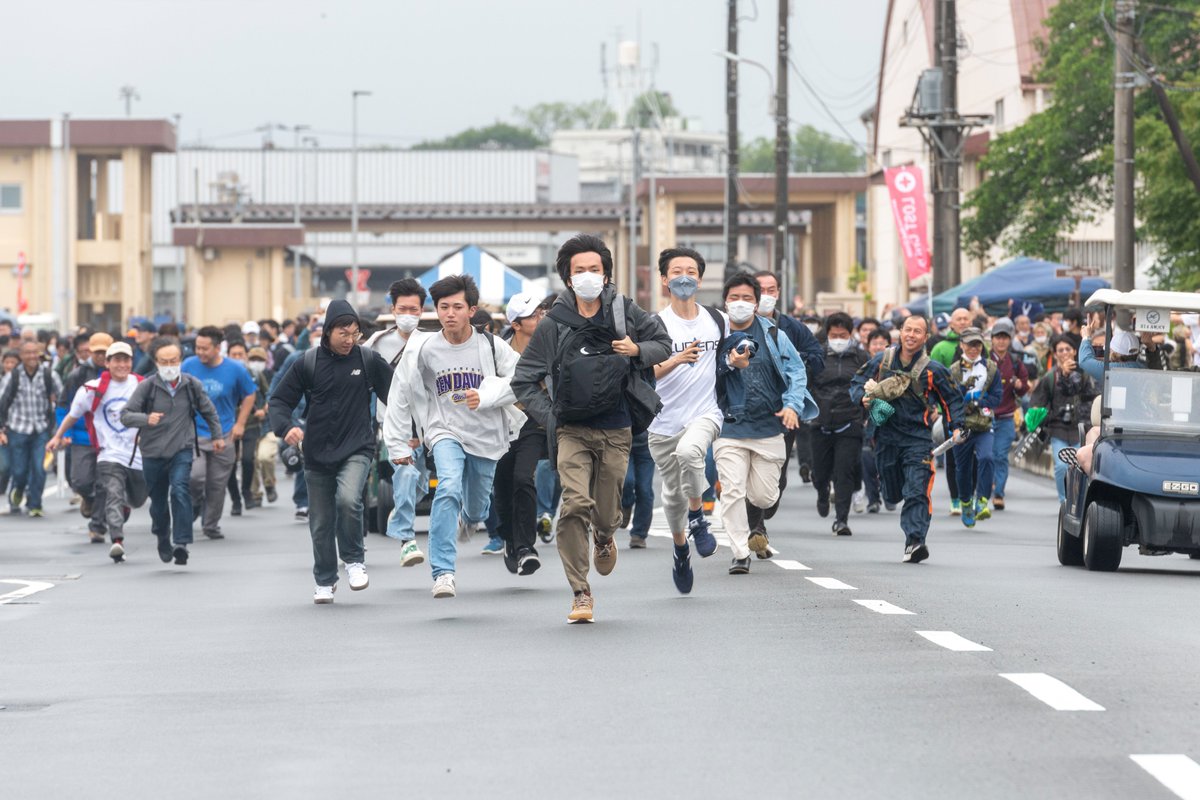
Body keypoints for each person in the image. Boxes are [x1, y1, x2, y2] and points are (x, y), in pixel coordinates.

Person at [512, 234, 671, 622]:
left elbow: (664, 343)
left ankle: (604, 537)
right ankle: (581, 592)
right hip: (571, 431)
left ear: (606, 274)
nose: (587, 276)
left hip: (617, 428)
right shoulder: (553, 324)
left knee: (605, 513)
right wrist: (550, 416)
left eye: (594, 269)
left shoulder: (625, 311)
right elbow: (523, 380)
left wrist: (638, 351)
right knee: (574, 505)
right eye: (579, 270)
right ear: (568, 278)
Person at [383, 275, 523, 600]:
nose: (449, 313)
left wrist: (487, 396)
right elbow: (401, 393)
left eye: (457, 307)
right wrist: (398, 442)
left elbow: (522, 378)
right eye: (443, 307)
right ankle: (443, 572)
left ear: (471, 310)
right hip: (444, 430)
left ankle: (470, 519)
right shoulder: (424, 349)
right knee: (447, 486)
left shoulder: (490, 345)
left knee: (476, 508)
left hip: (487, 435)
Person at [271, 300, 394, 604]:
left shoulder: (367, 360)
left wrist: (411, 433)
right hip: (317, 451)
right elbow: (279, 401)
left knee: (349, 498)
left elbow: (397, 397)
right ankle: (325, 580)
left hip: (358, 446)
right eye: (343, 333)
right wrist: (286, 427)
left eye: (354, 333)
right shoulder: (307, 362)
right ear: (328, 332)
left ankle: (354, 560)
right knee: (321, 521)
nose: (349, 339)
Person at [713, 274, 819, 574]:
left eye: (747, 298)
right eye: (734, 297)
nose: (740, 303)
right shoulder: (717, 334)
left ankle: (755, 504)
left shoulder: (774, 334)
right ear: (725, 301)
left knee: (763, 496)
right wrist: (728, 363)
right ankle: (739, 551)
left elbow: (797, 372)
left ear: (757, 303)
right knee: (732, 490)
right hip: (729, 426)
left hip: (769, 427)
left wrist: (791, 406)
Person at [850, 314, 964, 563]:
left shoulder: (933, 370)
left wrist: (957, 427)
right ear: (900, 332)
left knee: (917, 490)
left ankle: (915, 541)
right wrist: (862, 397)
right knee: (891, 493)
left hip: (918, 440)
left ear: (926, 337)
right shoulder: (882, 361)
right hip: (885, 437)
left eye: (917, 331)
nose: (911, 335)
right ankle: (890, 494)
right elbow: (857, 382)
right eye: (907, 330)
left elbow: (953, 400)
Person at [646, 247, 723, 591]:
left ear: (700, 278)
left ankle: (699, 517)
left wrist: (738, 358)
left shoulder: (716, 320)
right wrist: (676, 359)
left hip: (706, 412)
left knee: (692, 453)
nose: (684, 277)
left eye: (691, 271)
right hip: (663, 422)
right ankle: (680, 549)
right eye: (676, 271)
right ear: (664, 280)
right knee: (672, 497)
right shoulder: (655, 325)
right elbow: (645, 374)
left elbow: (734, 351)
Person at [121, 338, 222, 565]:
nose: (169, 365)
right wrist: (147, 419)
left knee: (180, 490)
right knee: (158, 502)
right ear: (156, 363)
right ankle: (162, 536)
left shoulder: (191, 384)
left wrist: (217, 436)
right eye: (164, 361)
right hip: (152, 453)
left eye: (173, 360)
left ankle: (181, 543)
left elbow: (209, 411)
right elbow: (125, 415)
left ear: (180, 360)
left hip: (181, 449)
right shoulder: (147, 386)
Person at [48, 342, 148, 563]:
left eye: (126, 360)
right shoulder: (92, 389)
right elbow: (72, 415)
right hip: (109, 454)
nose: (122, 365)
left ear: (131, 362)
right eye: (117, 360)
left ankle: (124, 508)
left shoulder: (143, 386)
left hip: (138, 455)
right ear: (108, 363)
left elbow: (156, 415)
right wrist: (57, 436)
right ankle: (117, 540)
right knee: (112, 492)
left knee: (139, 499)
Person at [750, 271, 825, 534]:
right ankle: (756, 528)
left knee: (776, 469)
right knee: (750, 469)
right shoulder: (737, 325)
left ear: (778, 293)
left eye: (772, 290)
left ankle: (769, 502)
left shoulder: (792, 328)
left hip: (785, 410)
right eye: (761, 290)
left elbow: (818, 357)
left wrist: (793, 361)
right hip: (748, 410)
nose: (766, 295)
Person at [364, 278, 429, 568]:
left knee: (421, 485)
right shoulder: (375, 344)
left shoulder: (431, 342)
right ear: (392, 309)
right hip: (390, 427)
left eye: (413, 309)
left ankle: (400, 513)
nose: (408, 314)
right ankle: (406, 539)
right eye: (402, 308)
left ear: (422, 310)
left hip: (426, 429)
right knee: (405, 473)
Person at [491, 291, 550, 575]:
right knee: (502, 486)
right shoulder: (496, 351)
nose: (540, 317)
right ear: (516, 324)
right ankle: (508, 537)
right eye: (533, 315)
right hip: (501, 424)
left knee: (522, 477)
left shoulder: (550, 346)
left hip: (533, 423)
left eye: (541, 312)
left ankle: (527, 547)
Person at [183, 326, 257, 540]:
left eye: (205, 349)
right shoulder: (188, 365)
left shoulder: (235, 369)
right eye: (197, 347)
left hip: (224, 434)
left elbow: (250, 394)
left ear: (217, 348)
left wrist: (240, 423)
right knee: (195, 477)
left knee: (217, 484)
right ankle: (196, 503)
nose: (200, 352)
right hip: (195, 433)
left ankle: (210, 525)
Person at [809, 312, 870, 536]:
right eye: (834, 334)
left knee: (844, 471)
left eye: (842, 334)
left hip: (850, 421)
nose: (838, 338)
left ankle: (841, 519)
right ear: (827, 334)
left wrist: (864, 412)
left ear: (850, 334)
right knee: (820, 472)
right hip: (820, 421)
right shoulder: (817, 356)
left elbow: (870, 385)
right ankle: (822, 492)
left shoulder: (861, 358)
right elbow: (807, 384)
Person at [1030, 336, 1099, 503]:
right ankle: (1064, 501)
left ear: (1075, 351)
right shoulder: (1049, 377)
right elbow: (1038, 403)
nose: (1065, 353)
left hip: (1081, 428)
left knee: (1081, 466)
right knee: (1061, 466)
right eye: (1060, 350)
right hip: (1058, 429)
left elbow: (1094, 396)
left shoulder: (1087, 373)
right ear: (1055, 354)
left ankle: (1079, 501)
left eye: (1068, 349)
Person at [57, 332, 113, 538]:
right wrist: (65, 432)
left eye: (104, 352)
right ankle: (88, 499)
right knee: (80, 481)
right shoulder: (78, 375)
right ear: (90, 351)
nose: (100, 356)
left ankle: (97, 526)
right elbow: (64, 405)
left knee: (103, 483)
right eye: (97, 352)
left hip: (108, 438)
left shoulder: (118, 373)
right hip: (82, 437)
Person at [0, 341, 63, 516]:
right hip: (17, 429)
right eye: (27, 353)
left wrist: (61, 429)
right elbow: (1, 403)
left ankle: (35, 504)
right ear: (21, 356)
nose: (32, 356)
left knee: (39, 468)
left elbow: (63, 399)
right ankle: (18, 490)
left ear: (39, 354)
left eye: (35, 352)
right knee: (18, 470)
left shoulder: (49, 375)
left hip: (41, 429)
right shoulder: (12, 377)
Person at [949, 327, 1003, 528]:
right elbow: (948, 399)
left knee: (987, 457)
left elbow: (997, 396)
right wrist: (963, 400)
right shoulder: (953, 370)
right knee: (962, 468)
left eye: (977, 344)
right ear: (962, 345)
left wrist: (979, 401)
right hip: (961, 426)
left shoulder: (991, 368)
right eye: (970, 344)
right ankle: (965, 502)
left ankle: (982, 501)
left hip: (983, 424)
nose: (973, 349)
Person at [986, 318, 1031, 511]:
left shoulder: (1015, 362)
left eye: (1005, 338)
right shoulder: (984, 360)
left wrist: (1021, 386)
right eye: (998, 337)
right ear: (992, 339)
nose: (1001, 341)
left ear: (1009, 339)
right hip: (985, 417)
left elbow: (1024, 388)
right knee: (986, 456)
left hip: (1006, 417)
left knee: (1001, 455)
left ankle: (999, 494)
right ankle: (987, 486)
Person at [860, 329, 892, 513]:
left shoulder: (895, 367)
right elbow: (855, 391)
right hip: (866, 421)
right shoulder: (863, 365)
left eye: (883, 343)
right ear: (868, 345)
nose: (879, 347)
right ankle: (873, 498)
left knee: (887, 459)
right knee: (866, 458)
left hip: (890, 420)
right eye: (875, 343)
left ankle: (889, 491)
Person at [620, 432, 655, 547]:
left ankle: (639, 534)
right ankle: (626, 504)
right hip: (621, 442)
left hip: (647, 445)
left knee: (644, 489)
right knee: (626, 481)